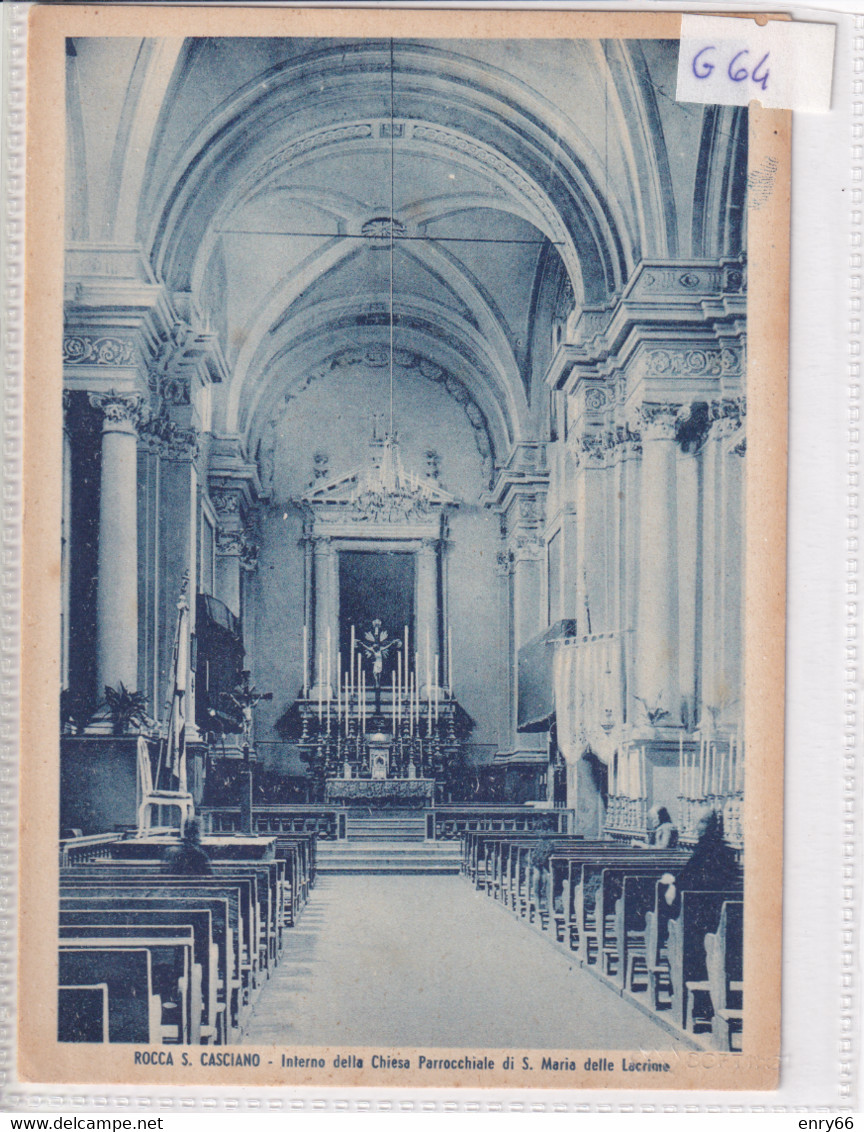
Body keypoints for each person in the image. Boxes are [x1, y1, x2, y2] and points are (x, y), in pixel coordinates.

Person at [661, 809, 739, 907]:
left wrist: (673, 883)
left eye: (702, 822)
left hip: (701, 905)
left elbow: (692, 878)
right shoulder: (721, 848)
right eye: (697, 822)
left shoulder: (706, 849)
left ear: (712, 825)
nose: (697, 827)